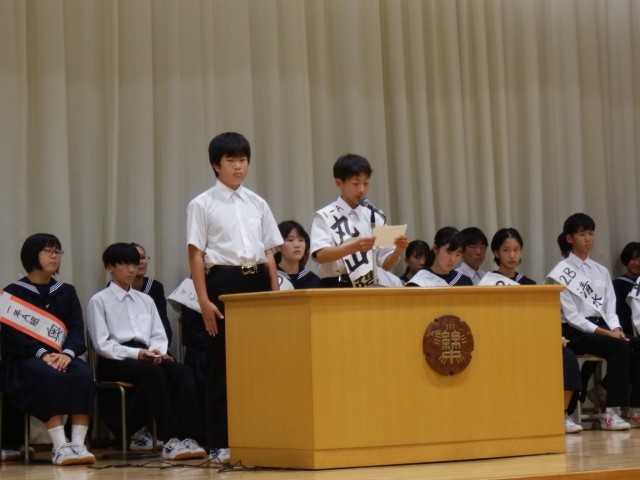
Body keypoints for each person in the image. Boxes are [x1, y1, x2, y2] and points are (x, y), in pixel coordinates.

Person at [186, 132, 282, 463]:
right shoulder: (202, 204)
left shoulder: (258, 203)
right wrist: (203, 301)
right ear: (216, 165)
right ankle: (220, 442)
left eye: (243, 160)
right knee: (221, 363)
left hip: (257, 279)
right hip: (223, 281)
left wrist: (274, 294)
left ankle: (258, 435)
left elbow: (269, 252)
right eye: (231, 160)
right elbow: (196, 254)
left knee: (259, 362)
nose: (238, 166)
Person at [87, 243, 206, 461]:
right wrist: (138, 355)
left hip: (147, 355)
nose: (132, 269)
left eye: (135, 264)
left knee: (181, 371)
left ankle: (189, 436)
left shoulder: (146, 300)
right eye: (125, 264)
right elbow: (102, 344)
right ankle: (168, 439)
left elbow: (158, 334)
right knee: (153, 372)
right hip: (116, 359)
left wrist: (157, 351)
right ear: (110, 267)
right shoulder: (99, 300)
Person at [0, 233, 95, 465]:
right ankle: (60, 446)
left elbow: (76, 329)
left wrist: (67, 354)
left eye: (57, 252)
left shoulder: (66, 291)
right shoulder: (14, 292)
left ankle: (78, 445)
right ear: (32, 255)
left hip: (62, 357)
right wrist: (42, 354)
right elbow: (11, 336)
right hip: (24, 358)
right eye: (48, 251)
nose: (54, 256)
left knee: (83, 373)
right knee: (47, 375)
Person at [547, 213, 640, 430]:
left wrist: (616, 328)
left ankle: (634, 408)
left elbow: (610, 307)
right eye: (582, 234)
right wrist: (607, 333)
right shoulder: (560, 272)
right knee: (619, 347)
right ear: (570, 238)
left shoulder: (600, 270)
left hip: (603, 327)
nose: (588, 239)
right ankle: (611, 412)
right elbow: (572, 316)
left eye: (591, 233)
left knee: (636, 344)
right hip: (575, 332)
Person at [487, 228, 583, 432]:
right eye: (506, 250)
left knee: (568, 358)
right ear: (496, 253)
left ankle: (561, 415)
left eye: (516, 250)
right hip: (501, 341)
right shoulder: (487, 283)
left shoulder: (528, 283)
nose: (512, 255)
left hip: (530, 339)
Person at [310, 153, 408, 288]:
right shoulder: (325, 215)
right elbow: (321, 255)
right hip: (335, 285)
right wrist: (354, 247)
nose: (362, 189)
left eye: (366, 183)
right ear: (339, 183)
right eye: (355, 183)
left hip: (368, 286)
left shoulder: (374, 216)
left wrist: (398, 249)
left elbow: (386, 265)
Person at [406, 227, 473, 287]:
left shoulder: (464, 281)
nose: (452, 259)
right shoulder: (419, 281)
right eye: (448, 253)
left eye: (458, 254)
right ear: (435, 249)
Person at [275, 220, 321, 290]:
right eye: (290, 240)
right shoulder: (270, 278)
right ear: (278, 246)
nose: (297, 245)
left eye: (301, 240)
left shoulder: (313, 280)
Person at [613, 242, 640, 338]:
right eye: (633, 259)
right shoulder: (617, 284)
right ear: (626, 259)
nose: (637, 263)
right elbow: (619, 314)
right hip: (631, 334)